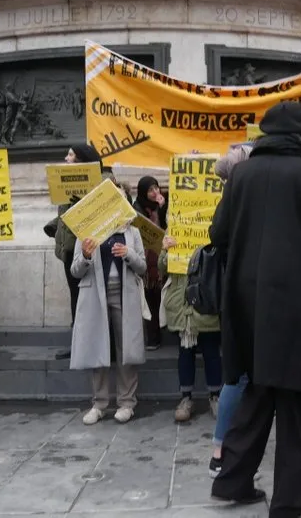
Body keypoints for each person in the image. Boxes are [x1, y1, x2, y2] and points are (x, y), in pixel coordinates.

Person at [209, 101, 301, 517]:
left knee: (260, 387)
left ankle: (232, 480)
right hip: (294, 299)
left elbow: (218, 233)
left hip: (247, 300)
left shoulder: (244, 171)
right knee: (293, 396)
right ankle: (289, 500)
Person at [69, 223, 147, 425]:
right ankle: (99, 403)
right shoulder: (87, 230)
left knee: (126, 349)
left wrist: (128, 253)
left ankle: (127, 403)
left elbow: (143, 267)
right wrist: (86, 256)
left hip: (125, 298)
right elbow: (75, 270)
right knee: (98, 348)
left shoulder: (133, 232)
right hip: (96, 298)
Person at [208, 143, 253, 479]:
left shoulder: (230, 196)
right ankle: (221, 448)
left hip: (236, 295)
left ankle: (223, 447)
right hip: (245, 296)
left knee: (238, 374)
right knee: (238, 375)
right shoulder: (240, 198)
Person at [44, 143, 105, 361]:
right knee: (75, 298)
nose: (66, 158)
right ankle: (77, 342)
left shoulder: (99, 184)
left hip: (85, 250)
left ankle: (86, 345)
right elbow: (65, 212)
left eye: (70, 155)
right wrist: (54, 225)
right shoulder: (66, 183)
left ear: (82, 160)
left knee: (84, 299)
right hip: (68, 249)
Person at [159, 235, 222, 422]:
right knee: (185, 353)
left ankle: (215, 396)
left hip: (205, 302)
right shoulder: (172, 233)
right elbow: (162, 268)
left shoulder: (210, 230)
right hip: (182, 306)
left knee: (211, 351)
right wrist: (165, 249)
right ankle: (186, 398)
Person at [133, 176, 168, 350]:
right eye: (150, 190)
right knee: (150, 299)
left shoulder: (164, 205)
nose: (155, 193)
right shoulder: (137, 208)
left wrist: (163, 208)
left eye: (156, 188)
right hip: (146, 261)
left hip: (161, 259)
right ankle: (153, 337)